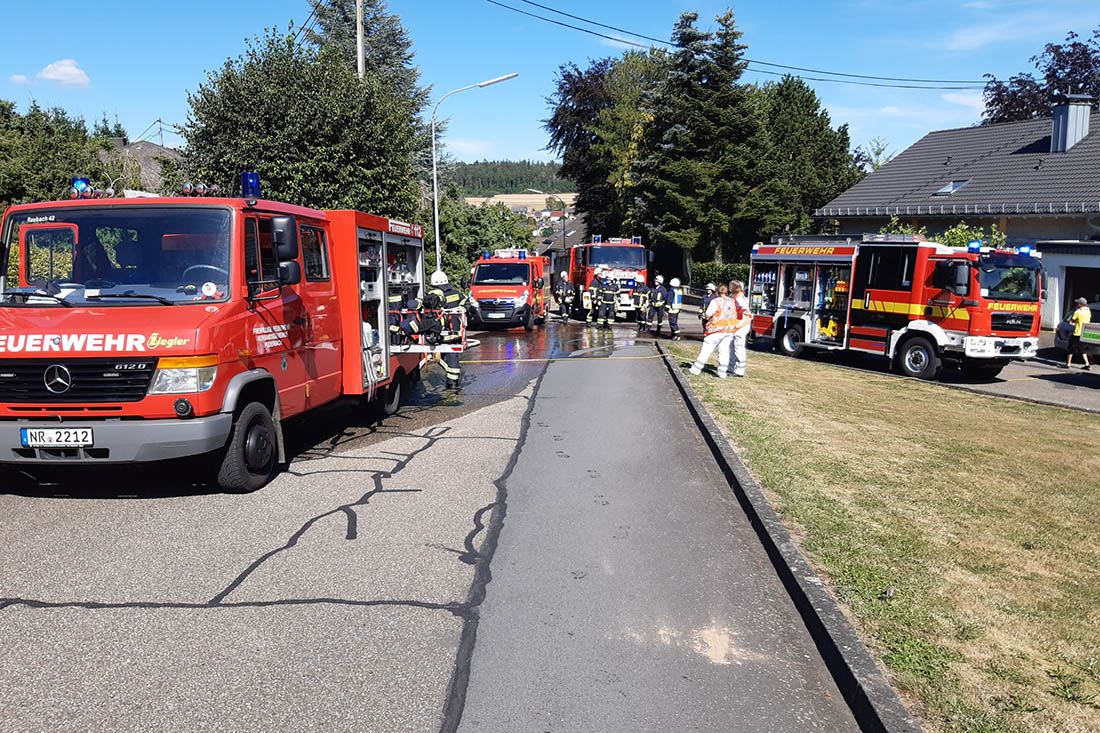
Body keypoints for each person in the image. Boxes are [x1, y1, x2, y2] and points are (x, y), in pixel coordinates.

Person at [429, 271, 468, 389]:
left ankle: (452, 383)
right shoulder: (457, 294)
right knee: (452, 356)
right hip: (456, 332)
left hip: (442, 333)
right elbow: (467, 303)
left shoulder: (435, 296)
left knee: (449, 358)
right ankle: (452, 378)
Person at [689, 284, 736, 378]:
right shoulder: (732, 301)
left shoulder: (716, 301)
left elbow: (708, 314)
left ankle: (695, 369)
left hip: (716, 330)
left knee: (706, 350)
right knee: (724, 352)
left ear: (717, 292)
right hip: (729, 330)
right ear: (727, 292)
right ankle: (722, 373)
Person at [723, 280, 753, 377]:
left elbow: (744, 309)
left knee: (738, 347)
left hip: (742, 325)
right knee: (732, 346)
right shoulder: (736, 296)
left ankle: (740, 371)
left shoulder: (740, 298)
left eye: (731, 286)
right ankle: (731, 368)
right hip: (737, 325)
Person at [1065, 297, 1092, 370]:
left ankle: (1068, 363)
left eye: (1078, 303)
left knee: (1071, 348)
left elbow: (1071, 322)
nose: (1077, 304)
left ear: (1081, 304)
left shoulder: (1077, 312)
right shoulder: (1088, 312)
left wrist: (1074, 324)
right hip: (1084, 333)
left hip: (1076, 333)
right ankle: (1087, 364)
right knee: (1082, 349)